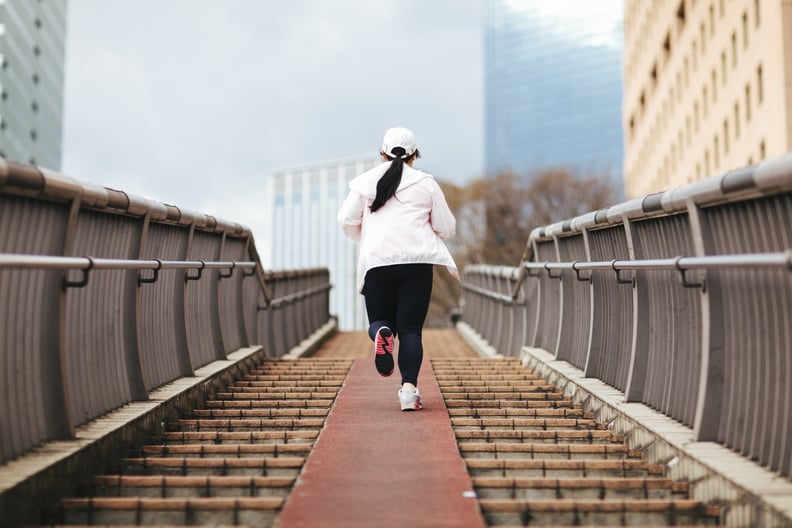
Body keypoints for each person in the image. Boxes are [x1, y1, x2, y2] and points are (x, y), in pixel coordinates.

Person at [337, 127, 459, 411]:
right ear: (415, 155)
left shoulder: (365, 183)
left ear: (382, 154)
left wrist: (365, 235)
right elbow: (447, 227)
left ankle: (382, 334)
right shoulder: (427, 184)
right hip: (417, 264)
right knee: (411, 331)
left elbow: (346, 219)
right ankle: (408, 392)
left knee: (380, 320)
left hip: (378, 261)